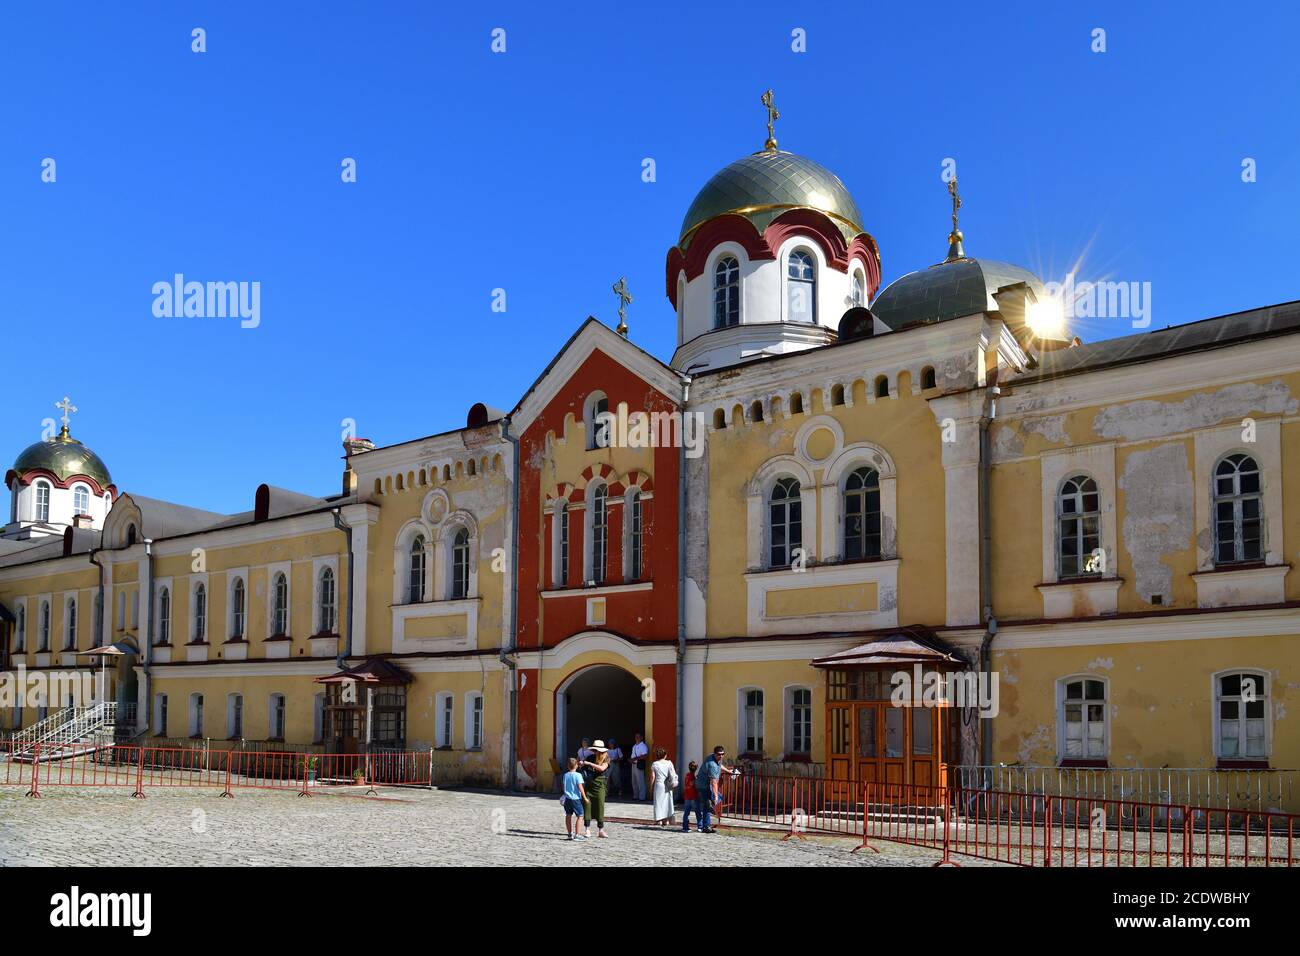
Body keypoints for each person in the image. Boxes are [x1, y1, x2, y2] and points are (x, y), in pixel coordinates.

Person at [695, 746, 737, 834]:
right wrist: (715, 796)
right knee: (711, 802)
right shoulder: (712, 765)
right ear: (714, 754)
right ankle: (706, 826)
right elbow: (714, 783)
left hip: (706, 784)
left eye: (722, 754)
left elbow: (720, 765)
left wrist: (728, 771)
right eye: (719, 755)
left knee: (710, 803)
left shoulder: (714, 757)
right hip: (703, 786)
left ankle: (710, 807)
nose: (721, 756)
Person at [578, 740, 611, 838]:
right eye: (594, 750)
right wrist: (581, 764)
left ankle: (601, 830)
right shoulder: (590, 757)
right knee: (587, 806)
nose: (595, 752)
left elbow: (602, 769)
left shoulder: (606, 757)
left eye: (596, 750)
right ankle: (587, 830)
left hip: (600, 785)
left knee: (600, 806)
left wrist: (589, 764)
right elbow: (583, 768)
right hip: (589, 785)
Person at [649, 747, 677, 826]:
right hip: (667, 784)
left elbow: (652, 777)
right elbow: (673, 775)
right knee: (667, 802)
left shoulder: (655, 764)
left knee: (658, 802)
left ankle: (659, 820)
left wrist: (651, 787)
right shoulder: (669, 763)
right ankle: (666, 820)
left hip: (659, 785)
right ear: (665, 755)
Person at [561, 757, 588, 840]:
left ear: (568, 766)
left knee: (568, 815)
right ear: (576, 766)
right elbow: (580, 787)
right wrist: (585, 797)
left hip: (567, 799)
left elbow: (563, 786)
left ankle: (569, 834)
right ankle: (577, 834)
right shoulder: (578, 775)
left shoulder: (565, 775)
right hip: (576, 799)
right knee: (580, 816)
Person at [680, 761, 700, 832]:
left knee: (686, 812)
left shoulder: (687, 775)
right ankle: (700, 826)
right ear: (696, 769)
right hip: (694, 796)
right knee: (697, 812)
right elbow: (693, 785)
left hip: (687, 796)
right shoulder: (693, 776)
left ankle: (685, 827)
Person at [629, 732, 649, 801]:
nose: (636, 738)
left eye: (638, 737)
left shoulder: (643, 746)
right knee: (634, 781)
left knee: (640, 781)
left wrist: (635, 759)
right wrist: (631, 760)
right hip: (633, 764)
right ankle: (636, 796)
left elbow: (645, 756)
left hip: (639, 765)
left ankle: (642, 797)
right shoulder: (634, 746)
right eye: (636, 737)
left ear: (641, 738)